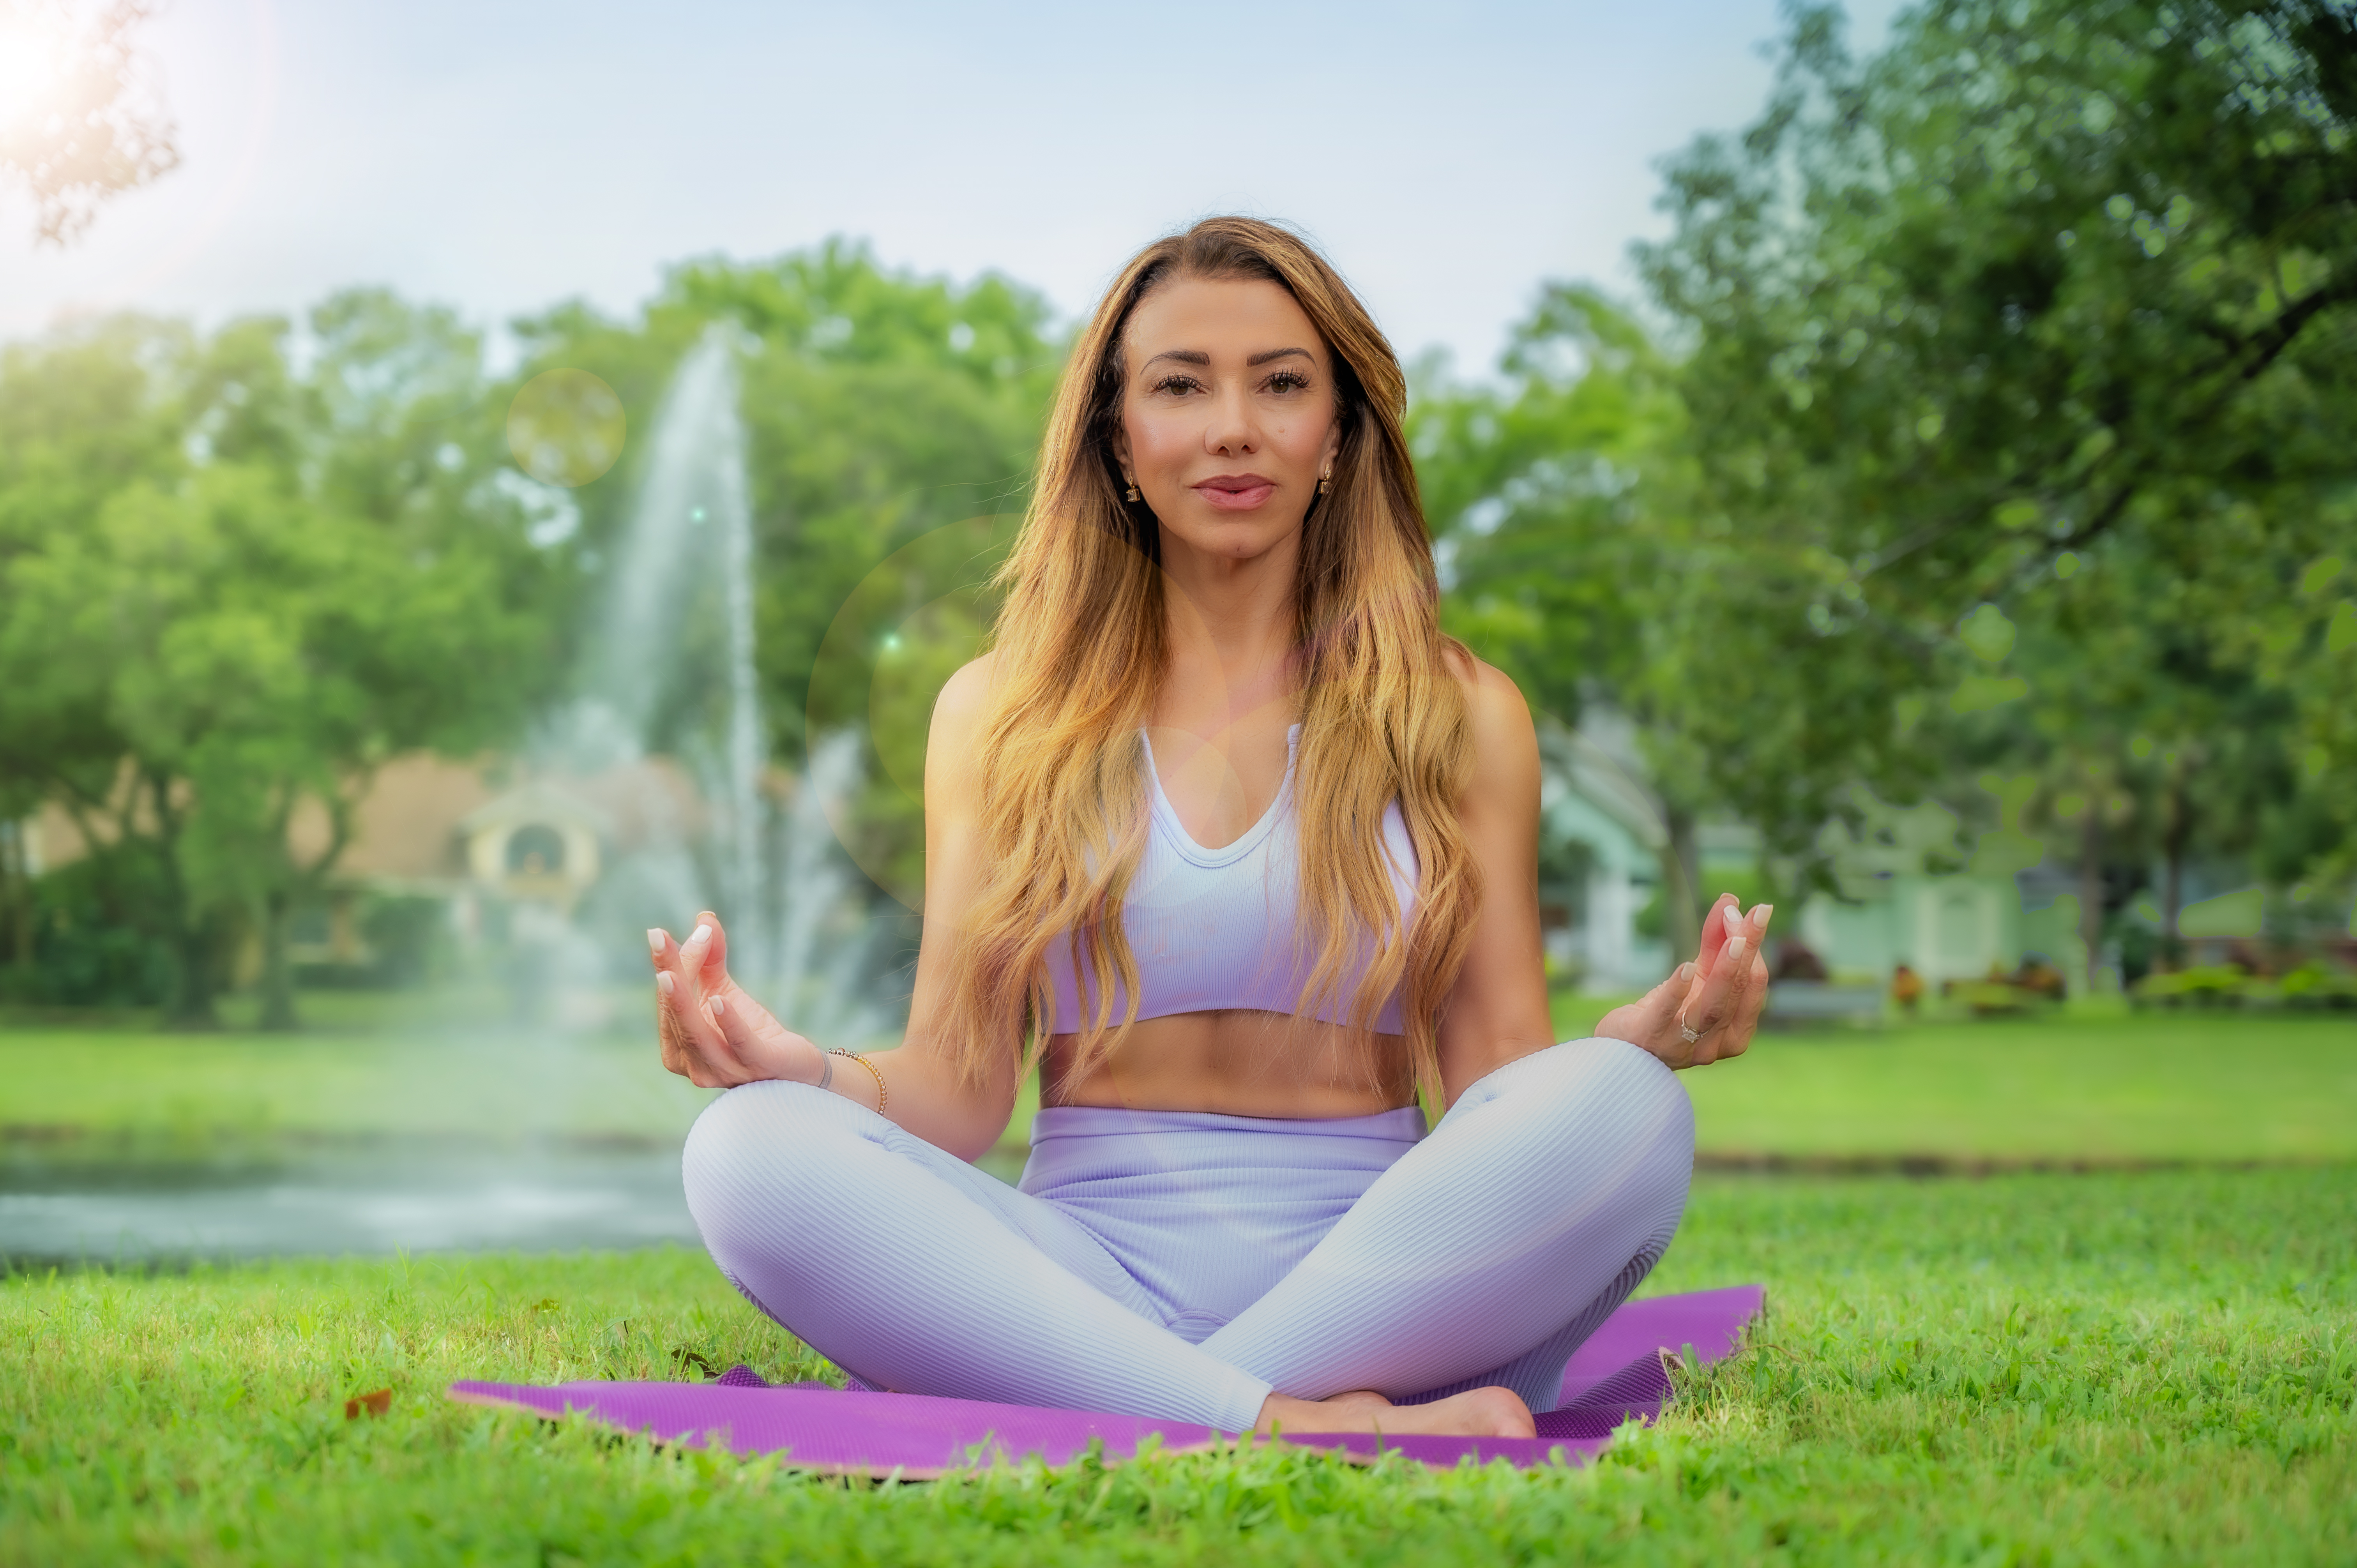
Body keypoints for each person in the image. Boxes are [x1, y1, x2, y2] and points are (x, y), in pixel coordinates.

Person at [649, 217, 1771, 1441]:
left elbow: (1498, 1081)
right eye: (1181, 386)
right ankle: (1288, 1422)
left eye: (1281, 384)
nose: (1233, 425)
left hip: (1387, 1281)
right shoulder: (998, 714)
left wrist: (1630, 1045)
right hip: (1082, 1273)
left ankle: (1145, 1405)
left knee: (1628, 1109)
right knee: (745, 1150)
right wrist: (797, 1070)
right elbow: (962, 1088)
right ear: (1120, 442)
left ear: (1338, 437)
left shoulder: (1461, 713)